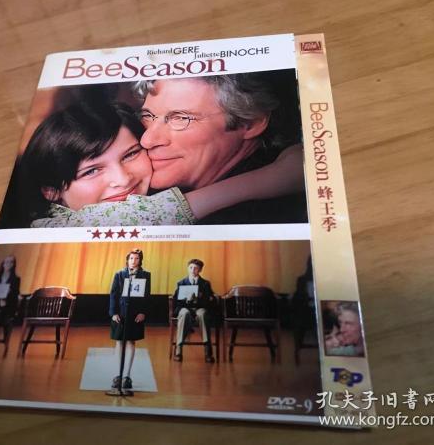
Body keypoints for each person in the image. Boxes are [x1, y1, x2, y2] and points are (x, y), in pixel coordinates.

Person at [21, 101, 304, 227]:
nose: (123, 179)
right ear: (51, 191)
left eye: (130, 154)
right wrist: (270, 178)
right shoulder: (50, 227)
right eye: (92, 171)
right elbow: (140, 216)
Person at [135, 73, 308, 224]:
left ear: (249, 124)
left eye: (181, 118)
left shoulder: (257, 218)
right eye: (147, 116)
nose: (147, 140)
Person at [108, 249, 151, 390]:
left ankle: (127, 376)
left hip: (135, 314)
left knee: (131, 341)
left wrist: (143, 312)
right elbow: (113, 294)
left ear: (140, 260)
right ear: (127, 260)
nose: (133, 261)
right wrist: (113, 313)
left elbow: (146, 296)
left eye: (137, 258)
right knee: (119, 342)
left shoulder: (146, 275)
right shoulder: (119, 274)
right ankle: (117, 375)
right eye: (131, 258)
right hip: (120, 314)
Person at [172, 259, 215, 363]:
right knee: (184, 313)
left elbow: (210, 299)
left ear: (200, 270)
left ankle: (207, 349)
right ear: (188, 268)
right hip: (185, 308)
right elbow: (176, 300)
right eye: (191, 267)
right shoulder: (181, 283)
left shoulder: (205, 284)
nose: (192, 270)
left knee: (203, 313)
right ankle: (178, 349)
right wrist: (186, 299)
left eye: (195, 268)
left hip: (199, 308)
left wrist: (200, 298)